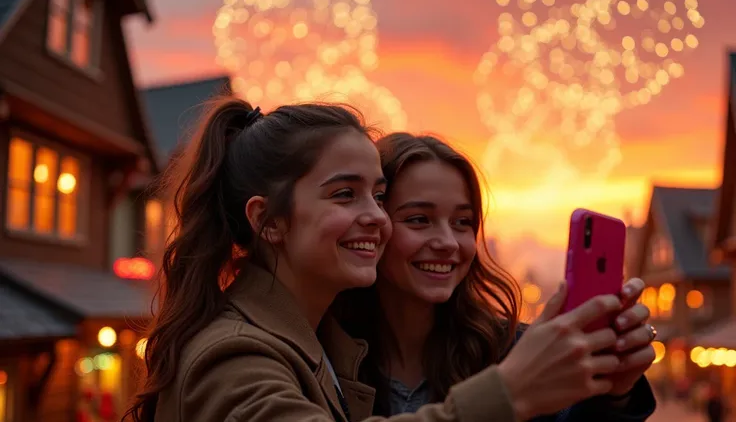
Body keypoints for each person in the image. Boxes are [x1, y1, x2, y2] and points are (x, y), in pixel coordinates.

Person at [124, 98, 628, 422]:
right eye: (345, 194)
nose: (375, 218)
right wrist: (509, 392)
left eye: (379, 195)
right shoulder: (234, 354)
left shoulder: (311, 342)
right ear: (268, 221)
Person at [334, 133, 658, 420]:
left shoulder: (517, 352)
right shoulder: (320, 358)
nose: (448, 242)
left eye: (462, 222)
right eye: (419, 219)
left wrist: (615, 396)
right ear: (373, 225)